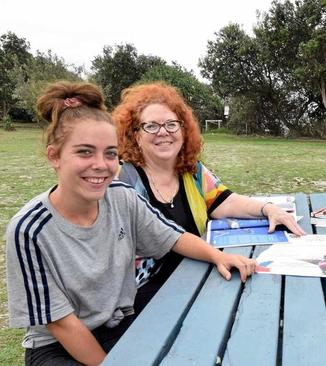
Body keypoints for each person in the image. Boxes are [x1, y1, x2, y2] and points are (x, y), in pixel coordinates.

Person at [5, 81, 256, 366]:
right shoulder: (29, 229)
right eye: (85, 152)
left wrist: (218, 256)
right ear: (55, 156)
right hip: (59, 347)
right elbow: (62, 324)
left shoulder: (122, 197)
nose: (101, 164)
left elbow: (173, 237)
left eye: (110, 153)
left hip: (119, 324)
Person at [112, 82, 305, 313]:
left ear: (183, 130)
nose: (163, 132)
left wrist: (268, 208)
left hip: (199, 276)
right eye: (151, 126)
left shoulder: (192, 171)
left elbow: (227, 201)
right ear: (135, 135)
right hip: (145, 295)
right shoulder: (123, 179)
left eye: (171, 124)